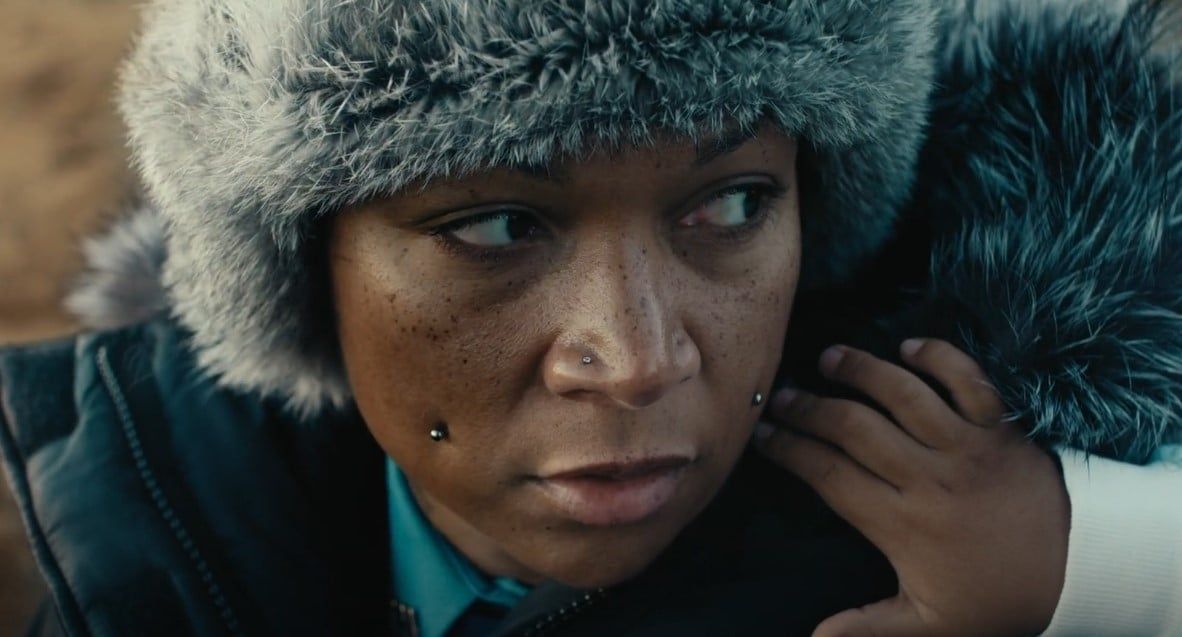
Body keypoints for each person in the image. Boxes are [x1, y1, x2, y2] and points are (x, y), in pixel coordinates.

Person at [1, 1, 1180, 636]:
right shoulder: (124, 503)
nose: (636, 359)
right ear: (305, 260)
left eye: (731, 204)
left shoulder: (1000, 515)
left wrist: (1101, 570)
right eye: (498, 226)